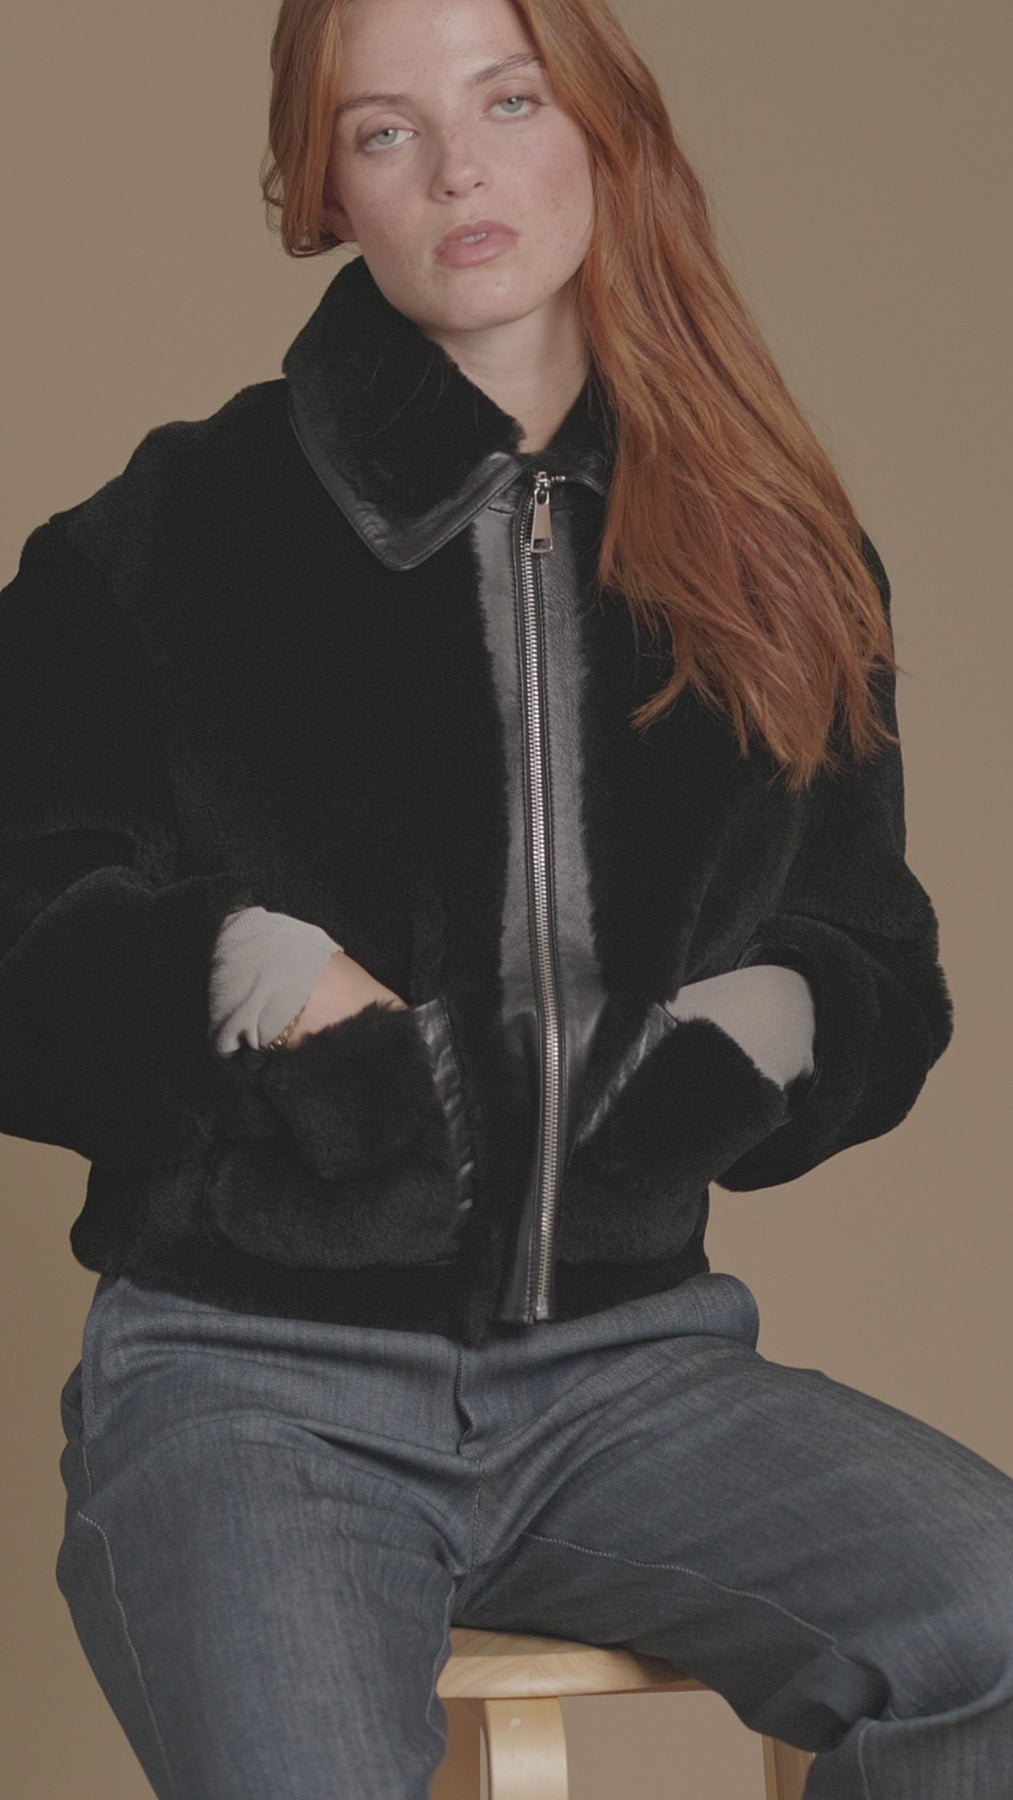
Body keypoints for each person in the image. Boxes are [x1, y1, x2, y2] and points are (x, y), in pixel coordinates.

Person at [1, 0, 1010, 1793]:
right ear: (325, 189)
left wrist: (760, 1031)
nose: (459, 169)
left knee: (989, 1621)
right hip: (248, 1386)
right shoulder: (150, 543)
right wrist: (250, 976)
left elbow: (875, 955)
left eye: (510, 100)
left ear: (605, 128)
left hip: (636, 1377)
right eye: (384, 129)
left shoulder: (778, 549)